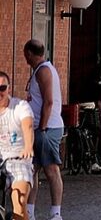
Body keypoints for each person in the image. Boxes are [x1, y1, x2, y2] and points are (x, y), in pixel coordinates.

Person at [23, 39, 64, 220]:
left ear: (30, 53)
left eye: (26, 55)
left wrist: (42, 128)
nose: (25, 58)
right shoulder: (40, 70)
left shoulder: (44, 71)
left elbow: (49, 102)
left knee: (51, 170)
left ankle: (56, 214)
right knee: (32, 170)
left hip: (47, 128)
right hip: (40, 128)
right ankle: (29, 213)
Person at [0, 71, 35, 220]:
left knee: (19, 202)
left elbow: (27, 125)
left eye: (2, 88)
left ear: (9, 88)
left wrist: (28, 146)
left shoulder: (20, 106)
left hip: (18, 159)